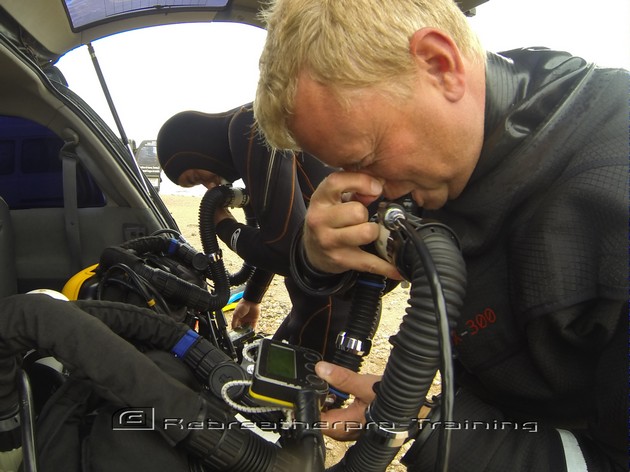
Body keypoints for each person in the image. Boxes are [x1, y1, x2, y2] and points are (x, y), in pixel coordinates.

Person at [253, 0, 628, 470]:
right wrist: (318, 257)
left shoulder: (612, 203)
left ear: (440, 64)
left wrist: (430, 427)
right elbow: (378, 272)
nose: (367, 189)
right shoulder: (455, 144)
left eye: (365, 159)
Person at [156, 103, 356, 361]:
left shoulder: (249, 125)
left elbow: (288, 252)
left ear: (198, 147)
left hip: (330, 293)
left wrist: (222, 224)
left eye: (196, 176)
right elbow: (279, 231)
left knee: (305, 390)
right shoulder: (255, 125)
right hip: (334, 288)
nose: (210, 185)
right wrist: (252, 298)